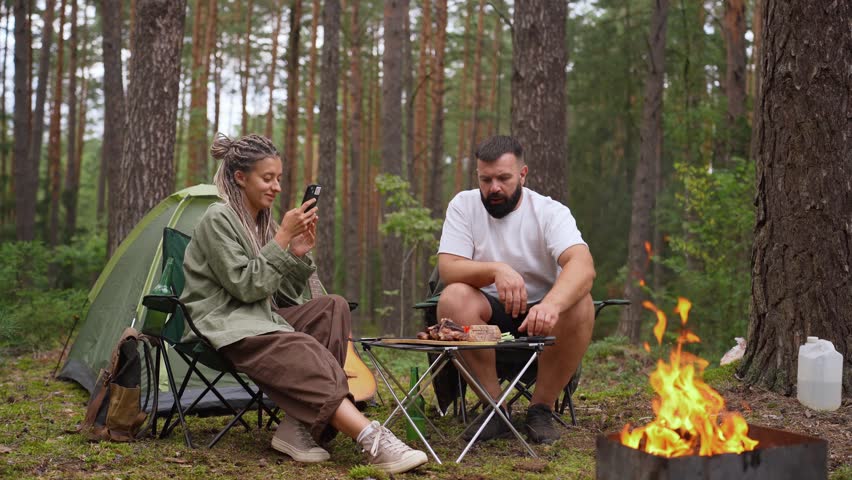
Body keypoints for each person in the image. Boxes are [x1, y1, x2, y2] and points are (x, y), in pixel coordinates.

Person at [179, 133, 427, 474]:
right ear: (240, 177)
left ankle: (297, 428)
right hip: (227, 325)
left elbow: (288, 295)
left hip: (259, 316)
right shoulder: (217, 219)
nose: (277, 187)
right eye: (267, 178)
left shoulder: (262, 222)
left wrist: (295, 254)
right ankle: (371, 437)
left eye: (278, 178)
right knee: (300, 344)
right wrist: (283, 239)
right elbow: (247, 286)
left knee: (332, 306)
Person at [436, 135, 596, 445]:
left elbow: (583, 265)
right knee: (453, 297)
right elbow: (449, 268)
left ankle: (541, 409)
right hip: (488, 326)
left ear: (522, 174)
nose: (493, 187)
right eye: (486, 179)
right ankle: (496, 409)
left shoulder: (550, 212)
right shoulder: (464, 206)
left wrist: (551, 305)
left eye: (503, 178)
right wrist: (496, 270)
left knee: (581, 303)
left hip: (544, 325)